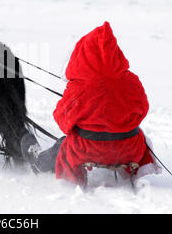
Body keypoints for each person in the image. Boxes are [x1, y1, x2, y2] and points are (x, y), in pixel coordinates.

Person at [21, 22, 160, 184]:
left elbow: (63, 121)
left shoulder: (78, 86)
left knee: (64, 144)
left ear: (84, 54)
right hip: (129, 150)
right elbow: (142, 110)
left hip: (87, 150)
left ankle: (40, 163)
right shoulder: (131, 80)